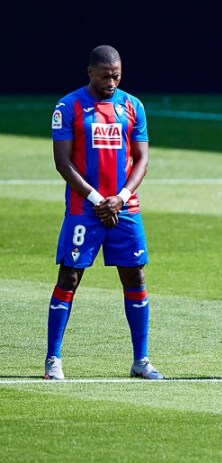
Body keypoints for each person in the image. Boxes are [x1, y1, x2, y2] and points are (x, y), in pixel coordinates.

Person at [45, 45, 163, 380]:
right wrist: (99, 199)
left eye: (117, 75)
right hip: (85, 209)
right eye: (105, 75)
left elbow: (142, 159)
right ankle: (53, 359)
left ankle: (141, 361)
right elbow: (62, 162)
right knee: (70, 277)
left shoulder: (132, 106)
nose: (111, 82)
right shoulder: (68, 106)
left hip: (125, 209)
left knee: (135, 276)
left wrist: (121, 198)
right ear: (90, 72)